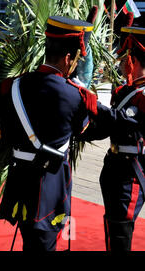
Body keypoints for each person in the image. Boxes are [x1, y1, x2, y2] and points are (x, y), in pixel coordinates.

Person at [0, 15, 100, 251]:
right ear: (67, 58)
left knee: (29, 243)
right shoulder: (76, 96)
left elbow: (5, 133)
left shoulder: (12, 86)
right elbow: (83, 130)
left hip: (20, 180)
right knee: (45, 245)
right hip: (49, 185)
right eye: (75, 60)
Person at [85, 25, 145, 251]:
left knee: (120, 231)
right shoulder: (126, 90)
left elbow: (123, 119)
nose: (120, 62)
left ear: (132, 60)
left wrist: (91, 104)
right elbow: (106, 128)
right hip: (114, 168)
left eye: (124, 56)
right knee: (113, 227)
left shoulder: (143, 95)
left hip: (131, 172)